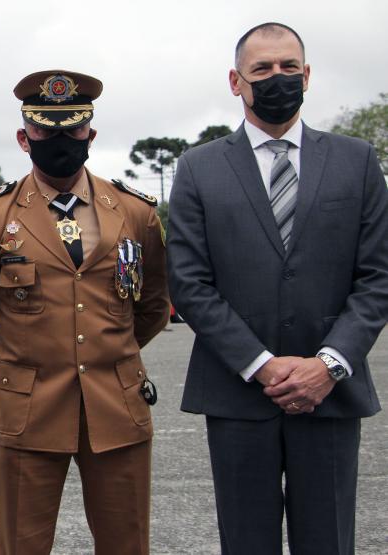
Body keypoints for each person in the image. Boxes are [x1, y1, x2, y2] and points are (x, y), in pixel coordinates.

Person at [167, 22, 388, 555]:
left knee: (329, 542)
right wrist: (262, 363)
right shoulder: (199, 168)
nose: (277, 78)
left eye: (289, 67)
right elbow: (190, 283)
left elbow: (377, 277)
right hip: (239, 395)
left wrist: (329, 364)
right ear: (235, 81)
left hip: (329, 396)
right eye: (262, 69)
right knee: (245, 542)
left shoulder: (356, 161)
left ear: (307, 75)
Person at [0, 70, 170, 554]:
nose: (60, 139)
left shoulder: (135, 212)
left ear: (91, 134)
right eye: (45, 130)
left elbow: (153, 305)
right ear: (24, 138)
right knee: (21, 544)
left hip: (116, 402)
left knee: (127, 542)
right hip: (28, 405)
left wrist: (108, 349)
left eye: (73, 129)